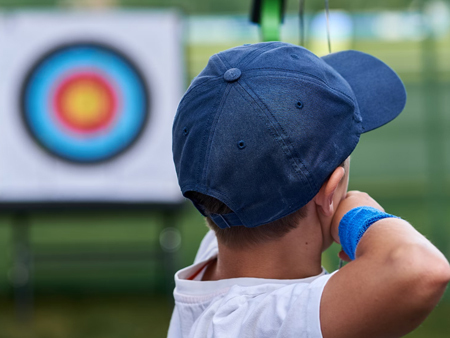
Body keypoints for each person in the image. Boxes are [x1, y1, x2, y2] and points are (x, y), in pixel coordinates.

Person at [168, 42, 450, 338]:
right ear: (329, 192)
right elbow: (422, 269)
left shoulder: (218, 253)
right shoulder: (255, 323)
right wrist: (356, 217)